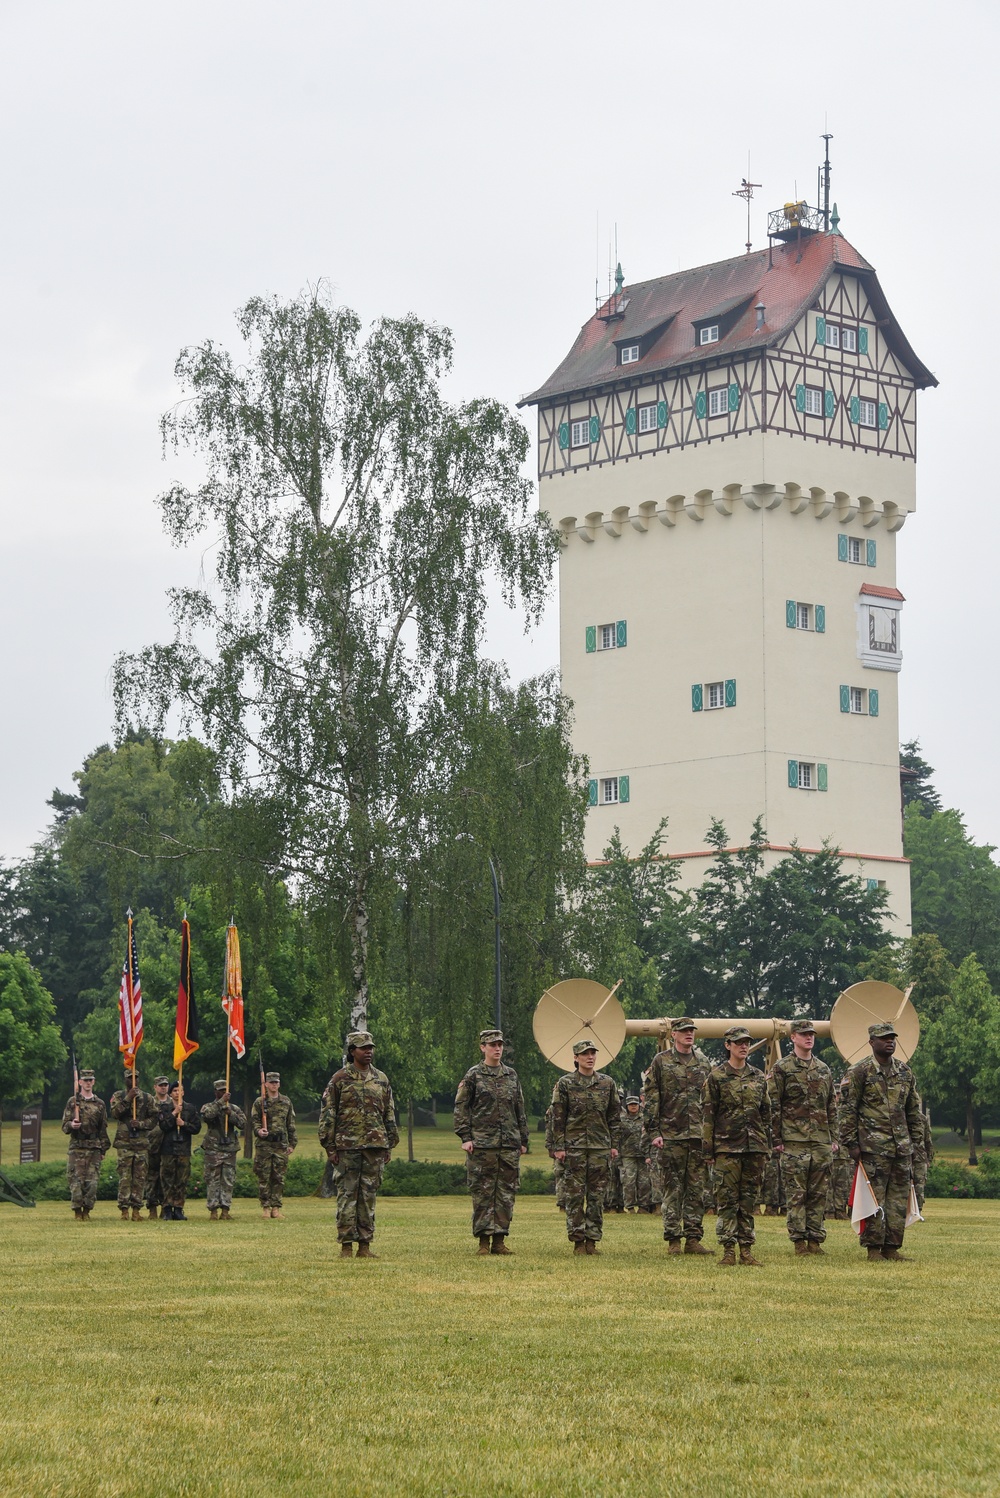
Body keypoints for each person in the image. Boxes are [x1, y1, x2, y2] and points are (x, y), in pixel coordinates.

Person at [840, 1021, 923, 1261]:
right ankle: (873, 1248)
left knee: (898, 1199)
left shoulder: (904, 1072)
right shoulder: (859, 1072)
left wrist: (915, 1144)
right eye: (884, 1038)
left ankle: (891, 1247)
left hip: (901, 1147)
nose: (890, 1041)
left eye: (892, 1038)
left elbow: (913, 1112)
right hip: (872, 1147)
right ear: (871, 1042)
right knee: (874, 1199)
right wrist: (851, 1143)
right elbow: (847, 1110)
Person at [453, 1027, 529, 1255]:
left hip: (508, 1144)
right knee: (483, 1193)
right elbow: (461, 1107)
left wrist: (523, 1139)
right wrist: (466, 1137)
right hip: (483, 1145)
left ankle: (499, 1240)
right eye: (493, 1045)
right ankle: (483, 1242)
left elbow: (519, 1108)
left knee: (506, 1193)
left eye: (500, 1045)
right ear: (483, 1047)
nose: (497, 1049)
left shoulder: (511, 1075)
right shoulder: (474, 1075)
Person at [319, 1033, 395, 1255]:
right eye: (363, 1048)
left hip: (374, 1147)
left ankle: (365, 1245)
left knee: (368, 1196)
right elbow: (328, 1113)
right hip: (347, 1147)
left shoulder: (381, 1078)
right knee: (347, 1195)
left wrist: (389, 1143)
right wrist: (329, 1146)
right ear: (352, 1051)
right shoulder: (340, 1079)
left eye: (370, 1047)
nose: (368, 1051)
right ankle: (346, 1245)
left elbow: (388, 1112)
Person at [702, 1025, 771, 1267]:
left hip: (754, 1148)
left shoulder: (758, 1076)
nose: (744, 1046)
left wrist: (767, 1145)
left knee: (748, 1201)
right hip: (727, 1149)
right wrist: (708, 1149)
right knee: (727, 1201)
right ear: (727, 1045)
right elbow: (709, 1115)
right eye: (738, 1042)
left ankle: (746, 1250)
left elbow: (766, 1112)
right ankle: (728, 1250)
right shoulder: (716, 1077)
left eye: (747, 1042)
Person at [768, 1019, 838, 1256]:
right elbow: (773, 1105)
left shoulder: (823, 1069)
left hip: (820, 1141)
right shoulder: (782, 1068)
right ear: (793, 1037)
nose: (809, 1037)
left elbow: (831, 1107)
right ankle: (799, 1241)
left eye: (812, 1034)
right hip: (793, 1141)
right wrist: (776, 1139)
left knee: (818, 1194)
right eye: (804, 1034)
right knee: (796, 1194)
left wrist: (834, 1138)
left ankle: (815, 1240)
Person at [644, 1018, 714, 1255]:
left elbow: (710, 1101)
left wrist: (710, 1134)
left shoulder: (703, 1062)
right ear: (673, 1034)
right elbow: (652, 1097)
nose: (689, 1035)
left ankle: (693, 1239)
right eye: (684, 1031)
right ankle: (674, 1239)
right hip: (670, 1135)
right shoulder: (661, 1061)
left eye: (691, 1031)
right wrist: (654, 1131)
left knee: (697, 1190)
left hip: (697, 1136)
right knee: (672, 1189)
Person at [550, 1040, 621, 1255]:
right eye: (585, 1054)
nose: (590, 1057)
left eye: (592, 1053)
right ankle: (578, 1241)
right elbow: (558, 1117)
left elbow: (615, 1116)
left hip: (600, 1148)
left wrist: (614, 1145)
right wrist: (559, 1146)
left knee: (597, 1197)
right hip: (574, 1148)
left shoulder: (607, 1083)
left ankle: (592, 1240)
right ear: (575, 1058)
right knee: (574, 1195)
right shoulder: (565, 1083)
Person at [109, 1067, 159, 1221]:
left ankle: (136, 1209)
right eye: (130, 1078)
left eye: (136, 1078)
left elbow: (154, 1118)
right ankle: (124, 1209)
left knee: (139, 1178)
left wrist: (142, 1124)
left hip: (141, 1144)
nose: (133, 1080)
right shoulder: (119, 1095)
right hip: (124, 1143)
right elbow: (115, 1113)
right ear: (125, 1080)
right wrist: (128, 1099)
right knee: (125, 1177)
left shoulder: (147, 1098)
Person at [61, 1068, 110, 1221]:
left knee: (92, 1182)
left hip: (94, 1146)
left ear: (93, 1082)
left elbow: (103, 1128)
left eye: (91, 1080)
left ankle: (87, 1210)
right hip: (77, 1145)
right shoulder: (73, 1102)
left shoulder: (100, 1104)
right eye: (85, 1080)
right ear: (80, 1082)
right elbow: (64, 1126)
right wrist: (72, 1125)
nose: (88, 1083)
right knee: (75, 1180)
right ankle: (77, 1211)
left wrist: (103, 1149)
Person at [252, 1071, 298, 1220]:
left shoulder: (286, 1102)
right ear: (265, 1084)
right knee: (263, 1176)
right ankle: (265, 1207)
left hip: (280, 1144)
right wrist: (259, 1131)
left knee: (278, 1177)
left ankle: (276, 1208)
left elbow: (290, 1123)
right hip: (264, 1144)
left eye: (276, 1082)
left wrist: (292, 1143)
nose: (274, 1085)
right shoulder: (260, 1102)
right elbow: (254, 1121)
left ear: (279, 1084)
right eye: (271, 1082)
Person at [201, 1080, 247, 1220]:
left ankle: (225, 1210)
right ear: (215, 1092)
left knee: (228, 1180)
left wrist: (230, 1114)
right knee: (212, 1180)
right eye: (221, 1090)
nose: (224, 1093)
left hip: (229, 1149)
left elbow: (243, 1124)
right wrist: (220, 1103)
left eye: (225, 1090)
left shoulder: (234, 1108)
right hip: (213, 1149)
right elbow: (207, 1116)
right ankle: (213, 1210)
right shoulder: (209, 1106)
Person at [156, 1081, 202, 1220]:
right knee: (167, 1179)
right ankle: (167, 1209)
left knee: (181, 1180)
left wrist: (184, 1124)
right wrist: (174, 1113)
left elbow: (196, 1128)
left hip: (183, 1149)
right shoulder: (165, 1108)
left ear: (183, 1092)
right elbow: (163, 1125)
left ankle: (178, 1208)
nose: (177, 1093)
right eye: (174, 1090)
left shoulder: (190, 1108)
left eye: (179, 1090)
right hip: (168, 1149)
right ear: (171, 1093)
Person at [144, 1076, 172, 1219]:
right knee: (151, 1177)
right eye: (160, 1085)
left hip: (168, 1146)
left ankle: (165, 1207)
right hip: (152, 1145)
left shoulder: (173, 1103)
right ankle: (152, 1207)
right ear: (155, 1086)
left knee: (165, 1177)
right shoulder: (149, 1102)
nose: (163, 1087)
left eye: (166, 1085)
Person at [619, 1096, 650, 1212]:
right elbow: (617, 1138)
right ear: (626, 1106)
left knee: (644, 1182)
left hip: (643, 1155)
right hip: (627, 1155)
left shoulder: (644, 1119)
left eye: (635, 1104)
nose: (633, 1106)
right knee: (628, 1182)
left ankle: (643, 1206)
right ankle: (630, 1206)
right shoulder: (621, 1119)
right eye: (631, 1104)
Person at [913, 1106, 934, 1213]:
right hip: (902, 1157)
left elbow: (928, 1140)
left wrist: (929, 1159)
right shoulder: (898, 1117)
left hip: (919, 1158)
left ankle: (918, 1211)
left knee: (919, 1186)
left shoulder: (922, 1118)